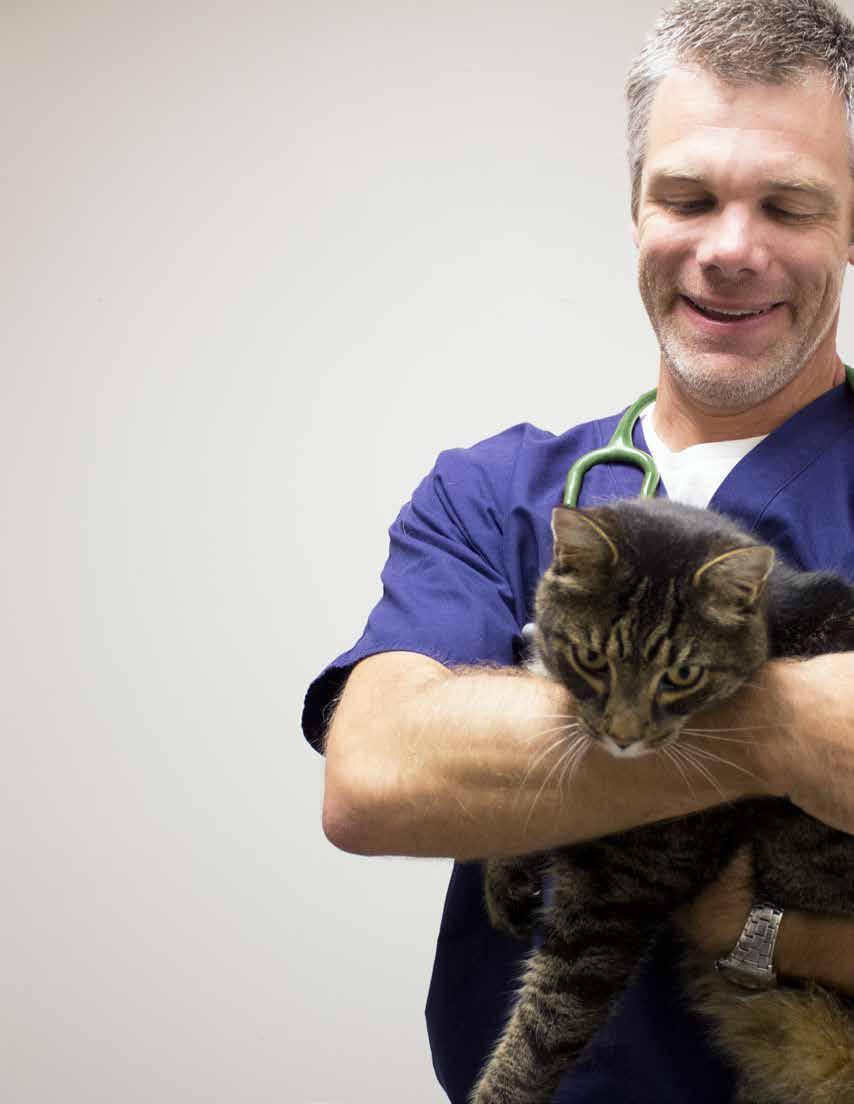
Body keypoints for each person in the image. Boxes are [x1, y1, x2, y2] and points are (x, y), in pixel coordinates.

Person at [303, 0, 854, 1100]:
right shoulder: (494, 493)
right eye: (686, 198)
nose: (729, 250)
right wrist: (784, 725)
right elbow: (375, 776)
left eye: (788, 205)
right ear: (635, 206)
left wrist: (769, 936)